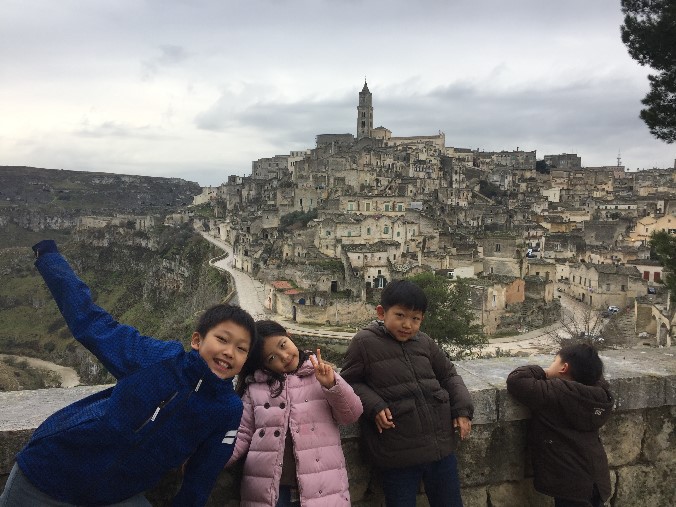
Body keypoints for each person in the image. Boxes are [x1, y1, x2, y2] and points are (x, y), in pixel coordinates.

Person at [0, 240, 257, 507]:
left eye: (241, 348)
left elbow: (202, 476)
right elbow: (91, 323)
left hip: (113, 497)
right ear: (196, 340)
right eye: (222, 339)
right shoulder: (159, 359)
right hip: (48, 471)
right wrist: (50, 259)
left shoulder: (227, 409)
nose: (229, 352)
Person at [340, 279, 474, 507]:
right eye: (400, 315)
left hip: (440, 446)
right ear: (382, 313)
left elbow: (449, 375)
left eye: (415, 319)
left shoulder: (425, 342)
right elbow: (349, 382)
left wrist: (462, 409)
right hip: (397, 453)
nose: (407, 325)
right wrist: (375, 405)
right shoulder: (364, 343)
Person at [227, 320, 363, 506]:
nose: (284, 356)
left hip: (322, 486)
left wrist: (332, 385)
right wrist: (210, 460)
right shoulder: (255, 389)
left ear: (289, 336)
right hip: (270, 490)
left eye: (283, 345)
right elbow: (241, 434)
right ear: (263, 365)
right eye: (271, 358)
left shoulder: (320, 375)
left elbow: (351, 414)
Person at [506, 343, 614, 507]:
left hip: (570, 482)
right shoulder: (600, 395)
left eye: (554, 361)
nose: (551, 364)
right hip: (596, 478)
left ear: (564, 368)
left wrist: (544, 372)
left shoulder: (555, 392)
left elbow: (516, 379)